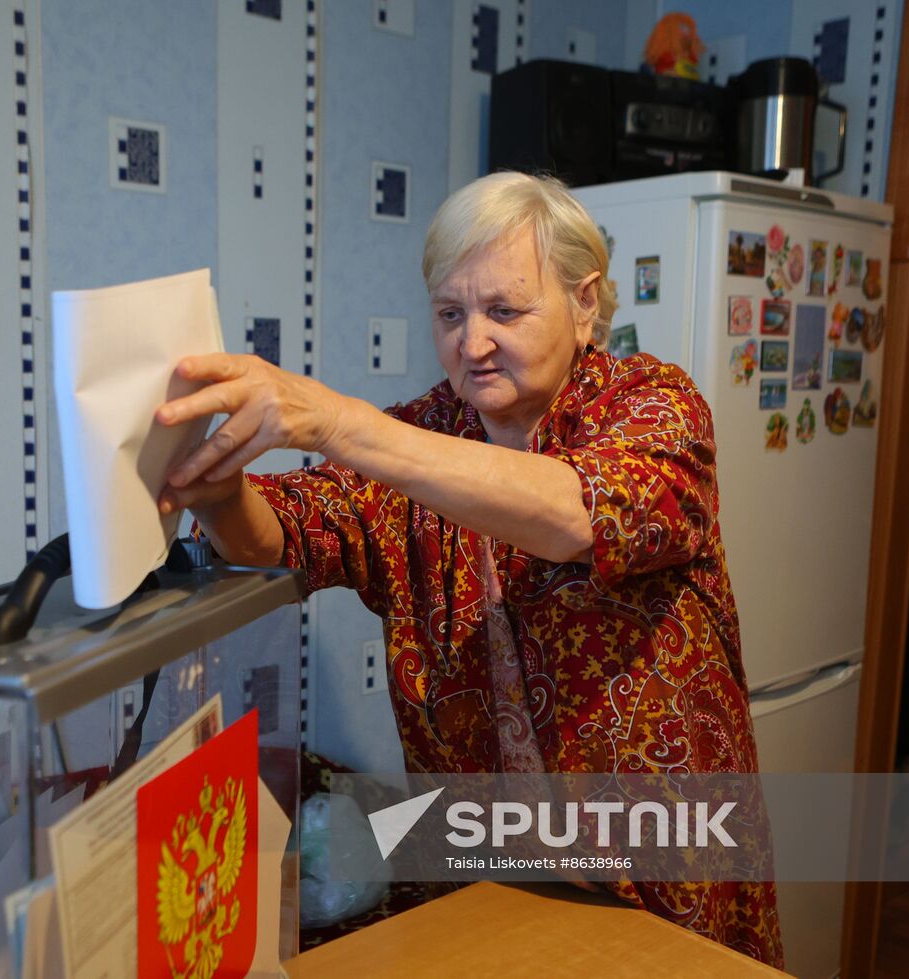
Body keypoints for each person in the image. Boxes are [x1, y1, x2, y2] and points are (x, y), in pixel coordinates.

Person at [156, 171, 784, 968]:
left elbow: (577, 514)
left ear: (585, 301)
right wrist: (218, 493)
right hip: (491, 876)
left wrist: (336, 417)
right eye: (450, 313)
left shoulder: (655, 405)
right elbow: (286, 536)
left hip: (664, 876)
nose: (473, 341)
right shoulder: (424, 430)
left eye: (505, 310)